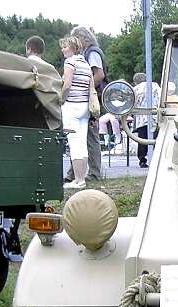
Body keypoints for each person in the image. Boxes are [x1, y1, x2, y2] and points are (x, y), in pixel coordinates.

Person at [63, 26, 108, 182]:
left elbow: (99, 74)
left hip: (88, 100)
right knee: (82, 137)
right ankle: (75, 174)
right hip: (89, 100)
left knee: (87, 137)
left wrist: (86, 89)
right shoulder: (89, 53)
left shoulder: (91, 53)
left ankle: (92, 173)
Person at [59, 36, 92, 189]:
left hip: (71, 105)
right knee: (82, 143)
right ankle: (82, 178)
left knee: (74, 143)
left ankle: (78, 180)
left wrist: (61, 100)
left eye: (65, 47)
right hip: (85, 106)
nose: (62, 50)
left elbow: (67, 85)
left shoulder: (70, 62)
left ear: (72, 47)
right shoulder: (85, 63)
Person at [133, 72, 161, 168]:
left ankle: (142, 160)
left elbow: (133, 102)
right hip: (155, 116)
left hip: (142, 117)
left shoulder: (136, 89)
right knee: (155, 139)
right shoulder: (155, 85)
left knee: (142, 140)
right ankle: (156, 159)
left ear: (136, 82)